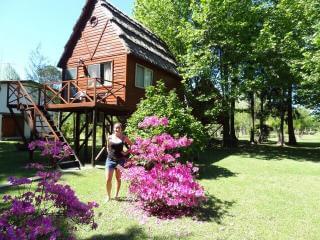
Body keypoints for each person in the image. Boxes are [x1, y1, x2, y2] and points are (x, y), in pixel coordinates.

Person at [105, 123, 132, 202]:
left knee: (118, 178)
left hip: (120, 161)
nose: (117, 129)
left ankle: (116, 195)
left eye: (119, 128)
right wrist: (109, 152)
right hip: (110, 161)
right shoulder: (109, 137)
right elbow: (107, 146)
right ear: (113, 129)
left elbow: (132, 145)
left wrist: (126, 152)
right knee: (107, 179)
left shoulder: (124, 138)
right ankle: (108, 196)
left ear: (121, 129)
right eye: (116, 128)